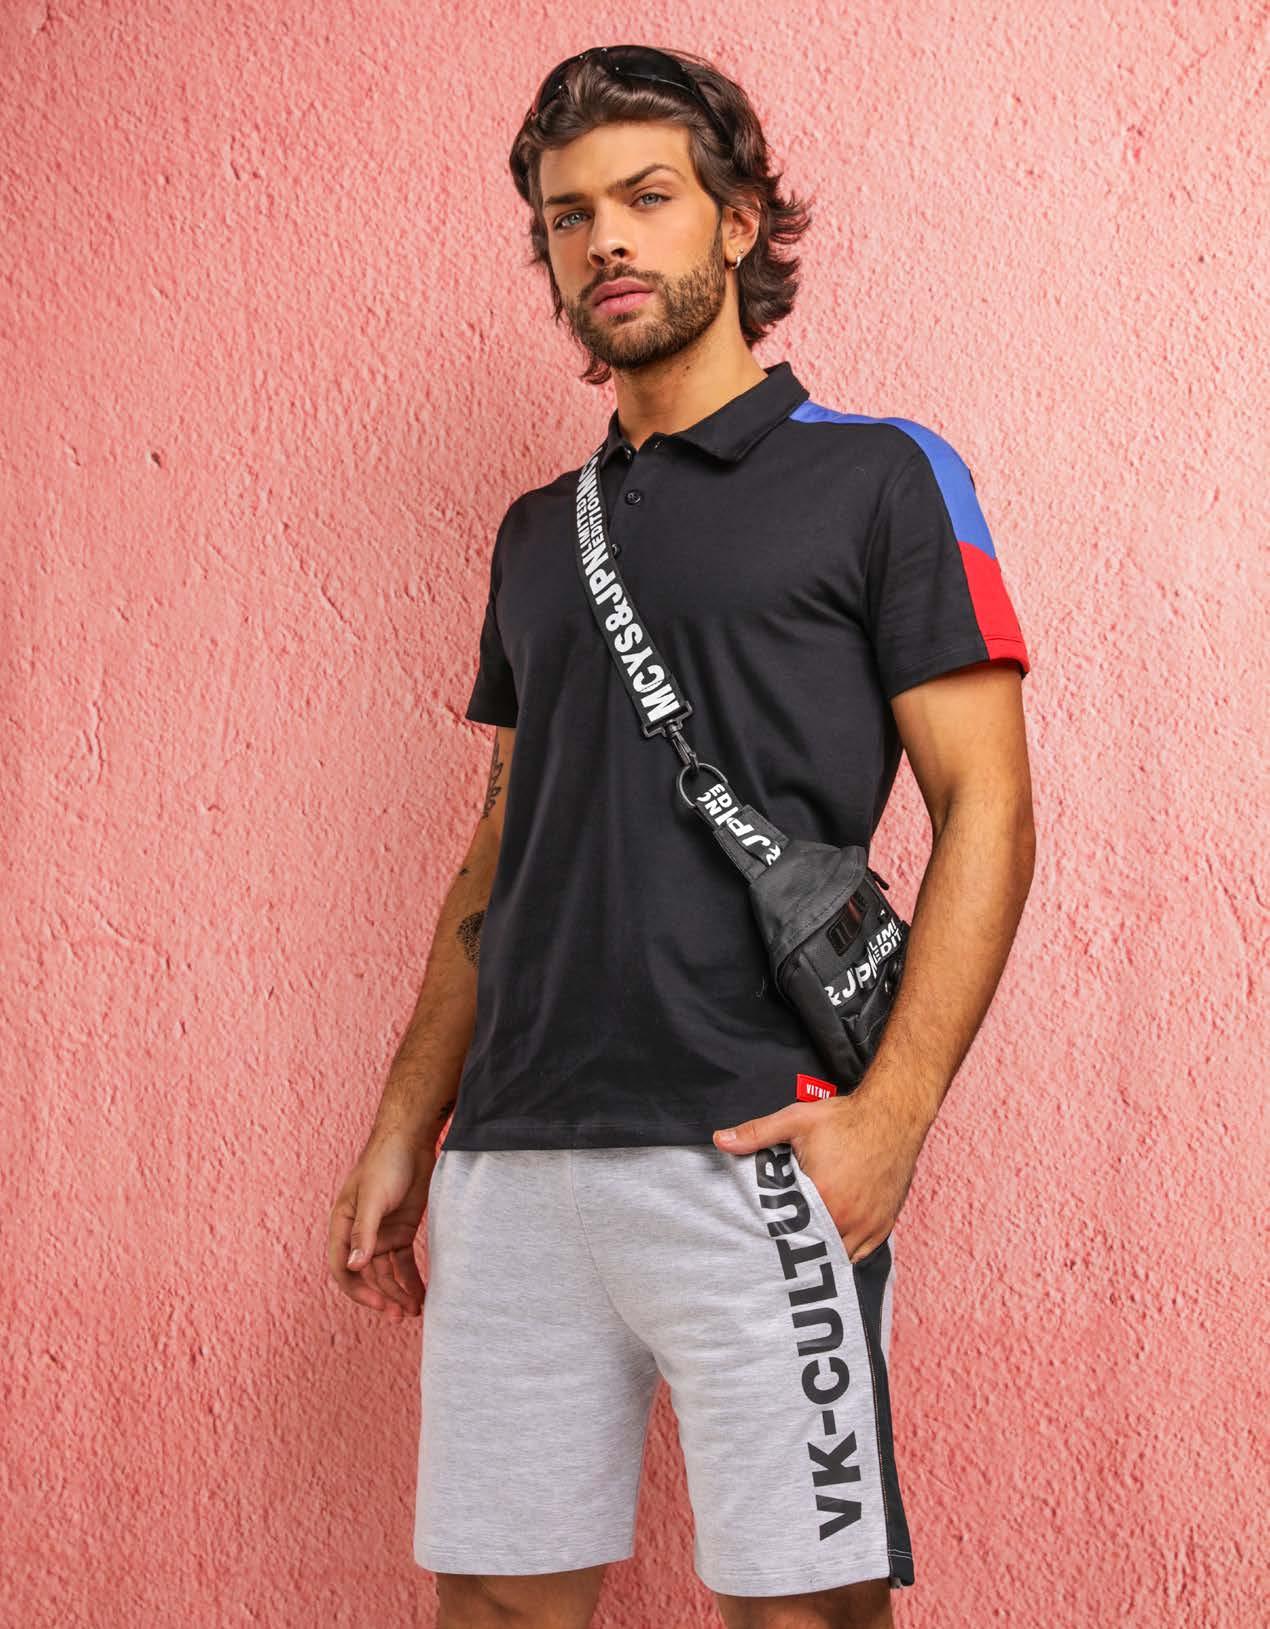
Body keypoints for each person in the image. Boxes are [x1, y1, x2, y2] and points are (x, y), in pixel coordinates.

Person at [327, 43, 1036, 1629]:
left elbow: (988, 804)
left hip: (753, 1149)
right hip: (516, 1159)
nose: (605, 241)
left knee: (801, 1610)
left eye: (645, 197)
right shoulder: (536, 533)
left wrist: (892, 1116)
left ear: (735, 221)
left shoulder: (879, 476)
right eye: (567, 215)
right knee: (494, 1606)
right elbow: (501, 846)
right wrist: (406, 1122)